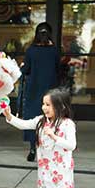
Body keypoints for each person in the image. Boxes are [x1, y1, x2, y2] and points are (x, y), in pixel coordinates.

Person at [3, 88, 76, 188]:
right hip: (44, 170)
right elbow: (24, 124)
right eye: (44, 104)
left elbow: (72, 145)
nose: (44, 108)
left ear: (61, 107)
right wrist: (9, 116)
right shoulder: (41, 121)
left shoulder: (67, 124)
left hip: (61, 172)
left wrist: (54, 136)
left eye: (48, 105)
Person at [20, 22, 60, 161]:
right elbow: (57, 68)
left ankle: (33, 149)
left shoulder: (31, 50)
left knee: (34, 120)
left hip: (34, 90)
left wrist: (21, 66)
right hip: (50, 90)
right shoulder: (54, 50)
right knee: (50, 119)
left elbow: (26, 70)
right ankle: (48, 149)